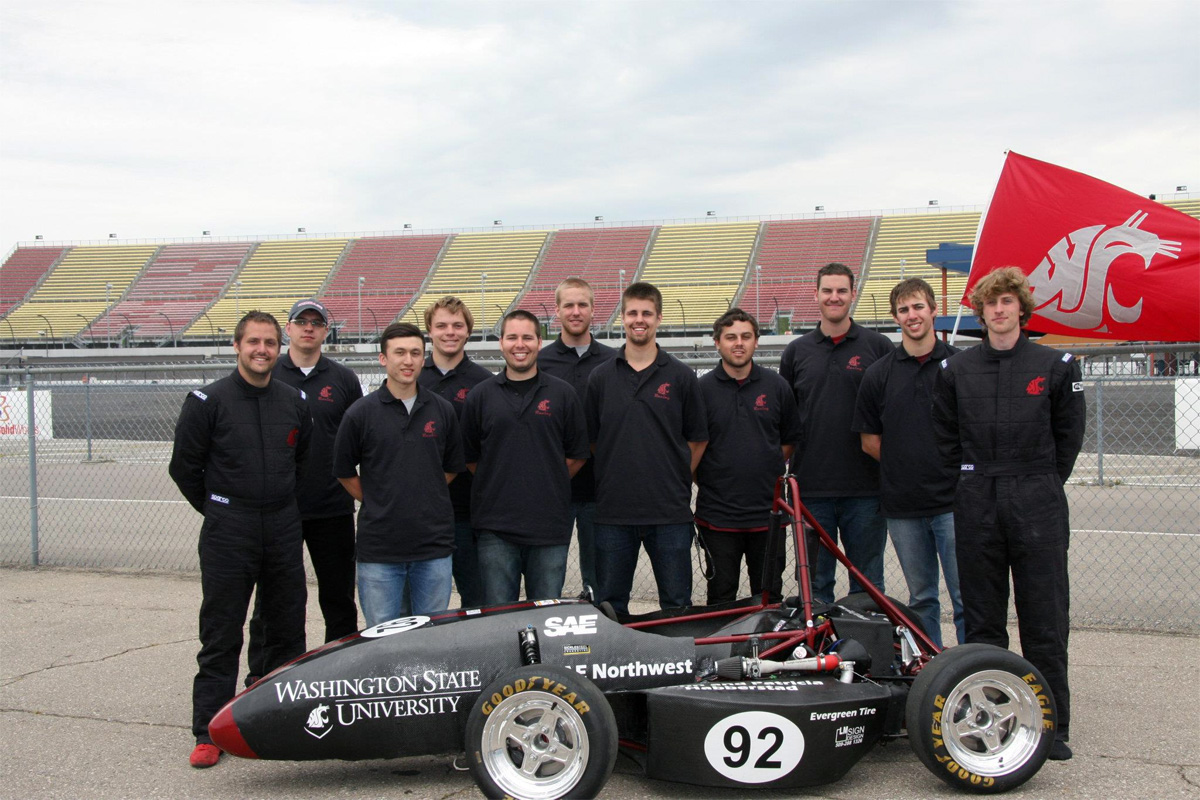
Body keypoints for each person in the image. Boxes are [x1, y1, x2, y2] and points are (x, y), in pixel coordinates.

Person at [931, 266, 1085, 761]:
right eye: (990, 303)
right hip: (977, 496)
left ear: (1021, 307)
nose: (998, 310)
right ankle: (991, 717)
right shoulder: (956, 370)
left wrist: (1038, 482)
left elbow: (1068, 438)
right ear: (980, 312)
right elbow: (945, 438)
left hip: (1037, 496)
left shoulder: (1056, 365)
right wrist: (973, 481)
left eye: (1006, 301)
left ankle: (1052, 726)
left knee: (1044, 616)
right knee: (982, 620)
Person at [168, 310, 312, 769]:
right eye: (253, 342)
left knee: (284, 625)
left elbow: (303, 461)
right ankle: (208, 730)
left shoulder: (293, 400)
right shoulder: (207, 401)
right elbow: (184, 468)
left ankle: (278, 718)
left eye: (269, 342)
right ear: (237, 346)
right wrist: (220, 509)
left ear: (279, 348)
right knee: (222, 629)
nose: (262, 350)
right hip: (230, 529)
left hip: (282, 525)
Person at [245, 299, 362, 685]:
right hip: (280, 509)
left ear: (326, 330)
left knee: (338, 598)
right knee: (274, 598)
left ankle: (340, 675)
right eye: (301, 321)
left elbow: (360, 439)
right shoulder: (269, 372)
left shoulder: (343, 379)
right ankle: (264, 676)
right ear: (289, 329)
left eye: (316, 322)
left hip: (332, 507)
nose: (309, 327)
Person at [852, 279, 962, 647]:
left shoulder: (959, 366)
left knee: (966, 597)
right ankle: (932, 665)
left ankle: (971, 665)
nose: (912, 315)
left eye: (918, 307)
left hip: (955, 503)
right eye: (903, 310)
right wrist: (907, 464)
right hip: (904, 507)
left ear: (933, 310)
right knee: (922, 598)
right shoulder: (879, 374)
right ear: (895, 317)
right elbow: (870, 441)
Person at [586, 282, 708, 615]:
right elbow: (595, 440)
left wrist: (673, 474)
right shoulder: (600, 377)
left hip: (669, 512)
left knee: (676, 606)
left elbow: (697, 439)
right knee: (610, 608)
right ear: (622, 318)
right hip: (614, 512)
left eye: (647, 313)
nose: (639, 320)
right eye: (632, 313)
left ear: (659, 318)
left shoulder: (681, 376)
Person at [333, 322, 464, 626]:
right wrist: (378, 497)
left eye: (415, 353)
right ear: (383, 358)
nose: (408, 360)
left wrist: (424, 490)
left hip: (433, 547)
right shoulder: (360, 413)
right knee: (383, 637)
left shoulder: (442, 410)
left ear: (423, 358)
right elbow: (343, 471)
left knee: (431, 633)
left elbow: (451, 467)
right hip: (380, 550)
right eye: (400, 353)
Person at [779, 262, 893, 603]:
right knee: (815, 588)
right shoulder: (796, 351)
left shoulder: (878, 347)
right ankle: (818, 640)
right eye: (827, 290)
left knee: (868, 586)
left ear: (853, 294)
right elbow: (785, 420)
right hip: (811, 490)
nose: (834, 297)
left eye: (842, 290)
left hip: (866, 491)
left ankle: (867, 640)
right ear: (816, 295)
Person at [461, 310, 589, 604]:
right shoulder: (480, 396)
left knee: (545, 617)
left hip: (548, 529)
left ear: (539, 342)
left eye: (527, 337)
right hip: (495, 529)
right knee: (498, 618)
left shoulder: (563, 394)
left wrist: (546, 478)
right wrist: (501, 478)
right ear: (501, 343)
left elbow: (577, 455)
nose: (520, 345)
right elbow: (470, 457)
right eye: (512, 337)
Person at [695, 308, 800, 604]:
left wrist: (761, 466)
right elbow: (693, 450)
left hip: (768, 515)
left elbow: (788, 442)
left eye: (746, 336)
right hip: (717, 517)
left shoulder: (777, 386)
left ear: (756, 341)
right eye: (731, 337)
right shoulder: (700, 390)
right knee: (720, 598)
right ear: (717, 342)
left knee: (768, 598)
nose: (738, 343)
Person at [537, 277, 617, 597]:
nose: (575, 311)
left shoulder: (614, 360)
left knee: (599, 579)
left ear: (593, 310)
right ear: (557, 311)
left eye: (582, 304)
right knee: (548, 578)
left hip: (601, 489)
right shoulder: (539, 362)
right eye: (568, 305)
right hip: (552, 488)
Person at [418, 296, 493, 608]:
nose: (450, 332)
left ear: (468, 331)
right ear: (430, 331)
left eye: (457, 325)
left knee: (477, 601)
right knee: (421, 605)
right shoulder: (412, 377)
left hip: (469, 512)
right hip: (420, 512)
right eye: (442, 325)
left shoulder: (485, 383)